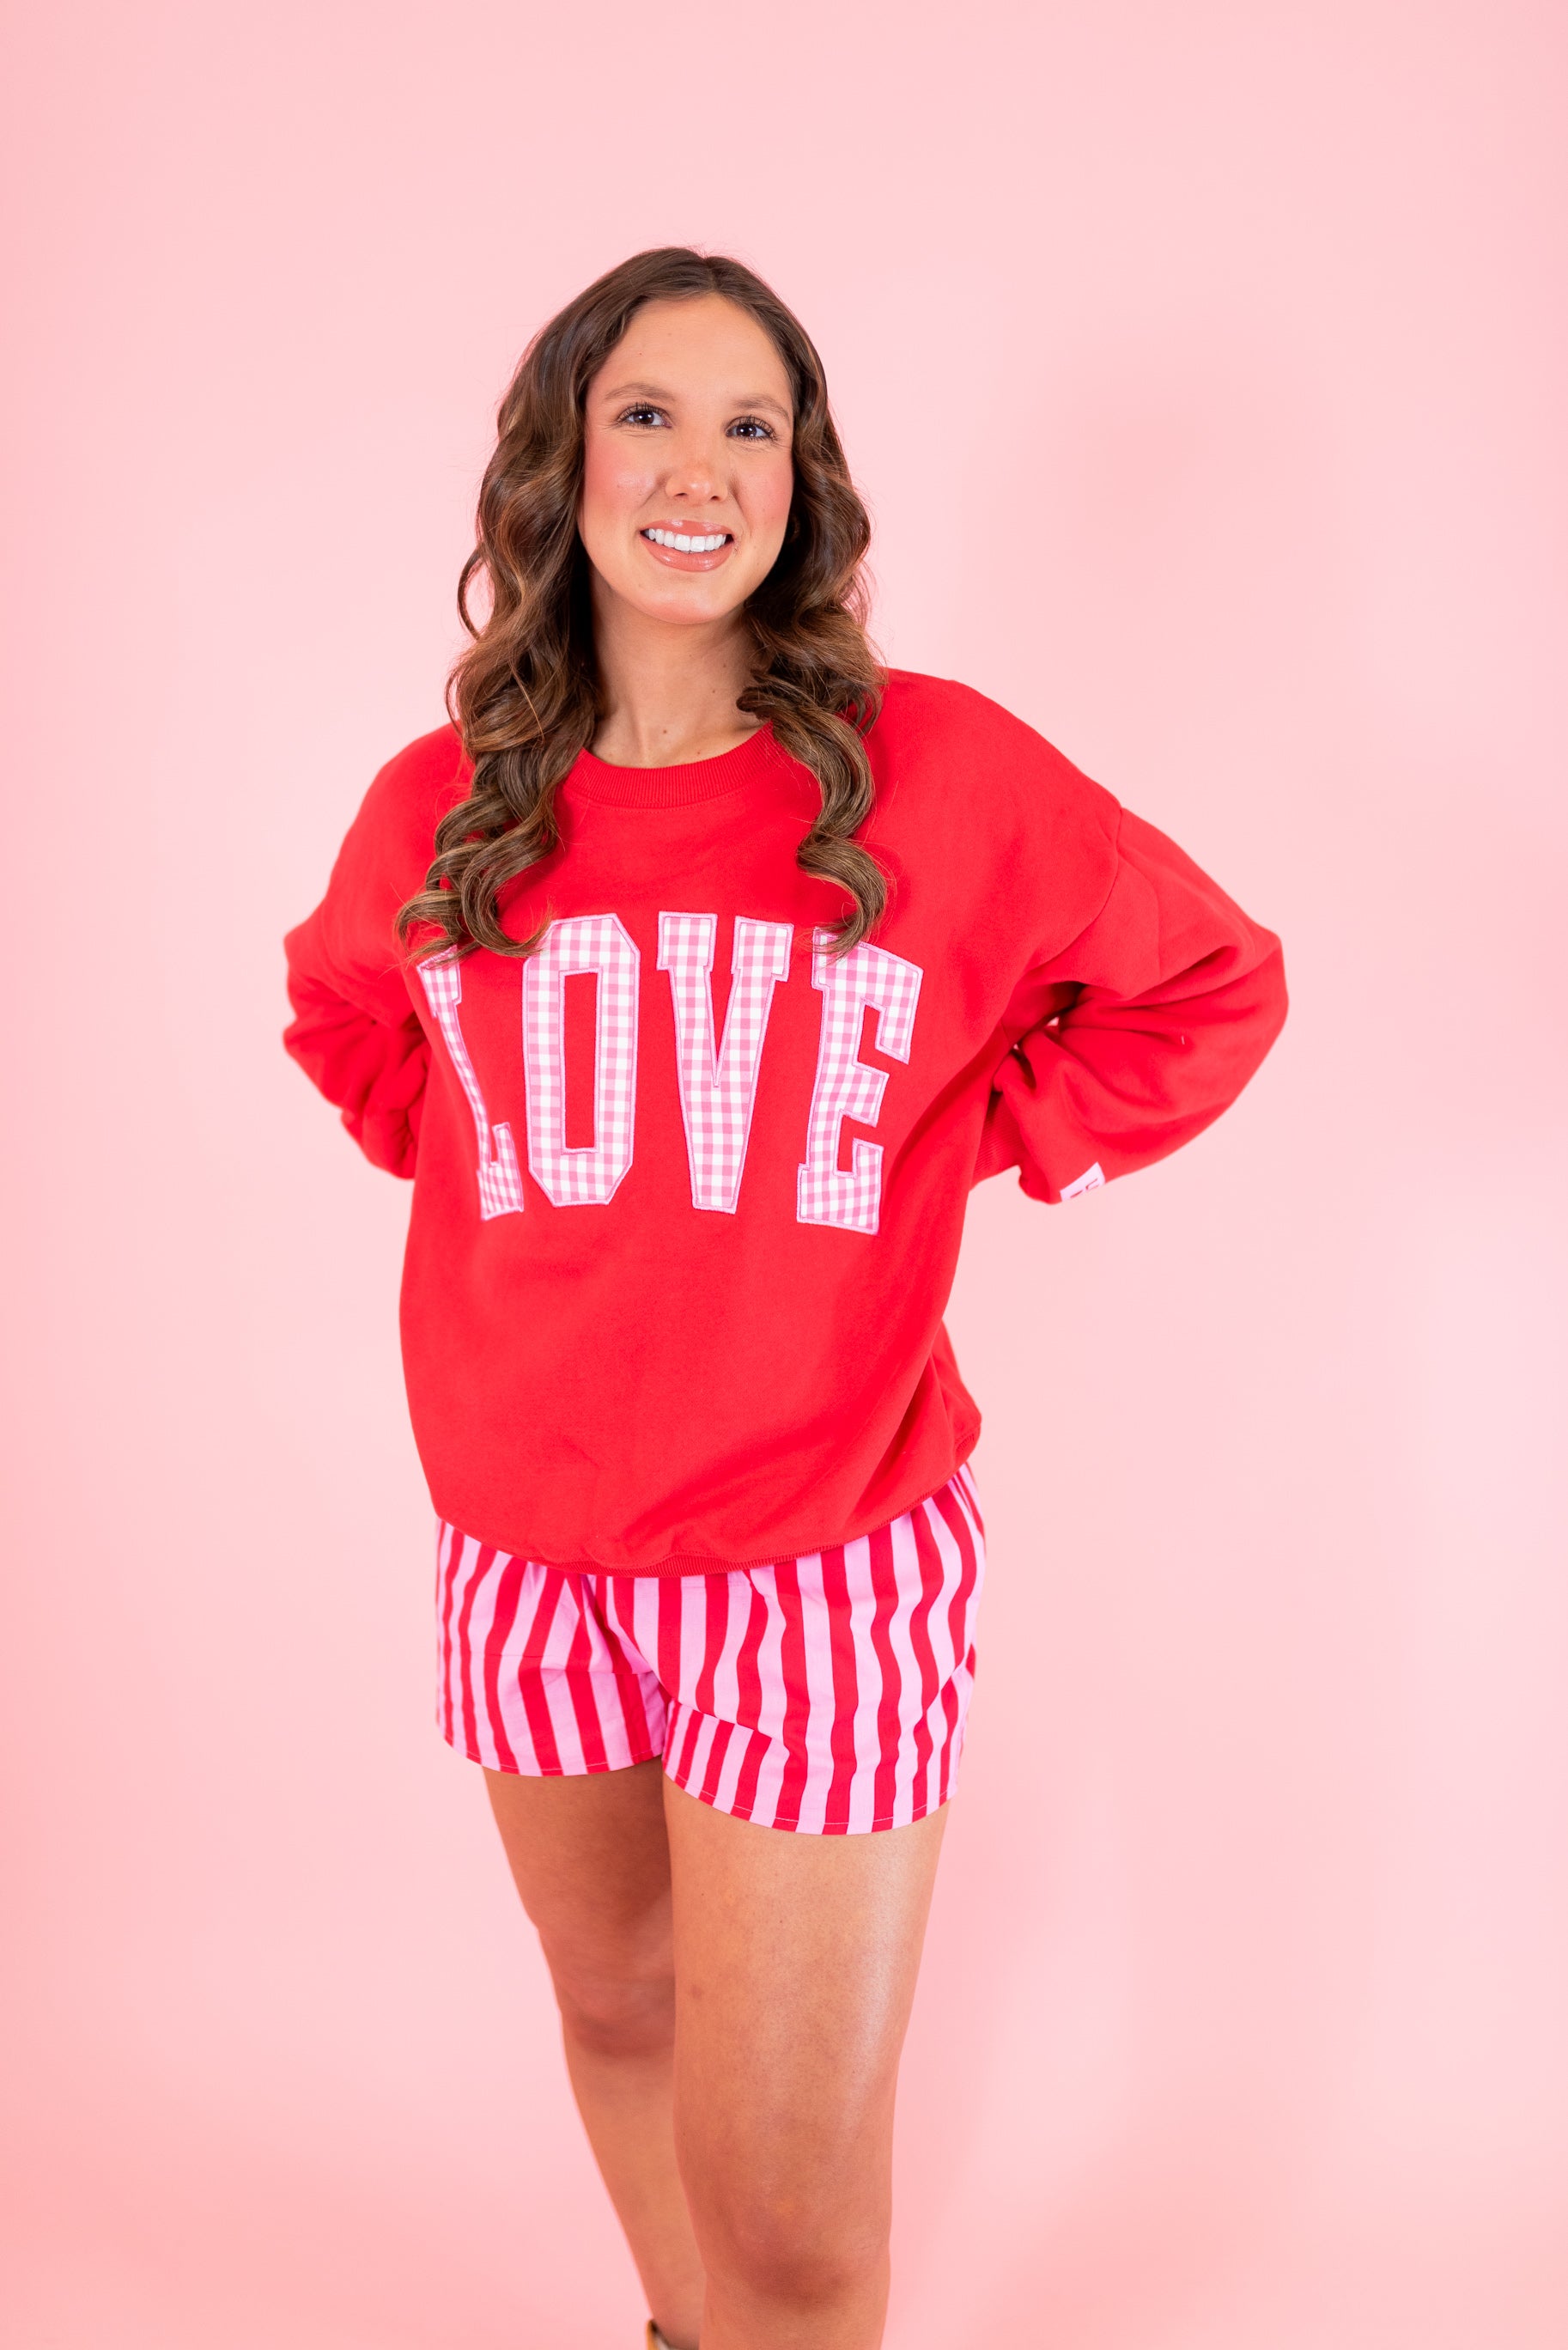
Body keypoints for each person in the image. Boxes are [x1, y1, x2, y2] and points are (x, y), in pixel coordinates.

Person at [283, 246, 1287, 2350]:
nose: (699, 468)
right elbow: (353, 1027)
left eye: (751, 425)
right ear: (558, 462)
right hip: (520, 1551)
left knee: (804, 2227)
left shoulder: (940, 772)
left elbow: (1209, 981)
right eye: (646, 413)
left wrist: (981, 1128)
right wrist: (536, 1166)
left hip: (820, 1552)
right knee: (616, 2008)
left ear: (800, 483)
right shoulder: (439, 811)